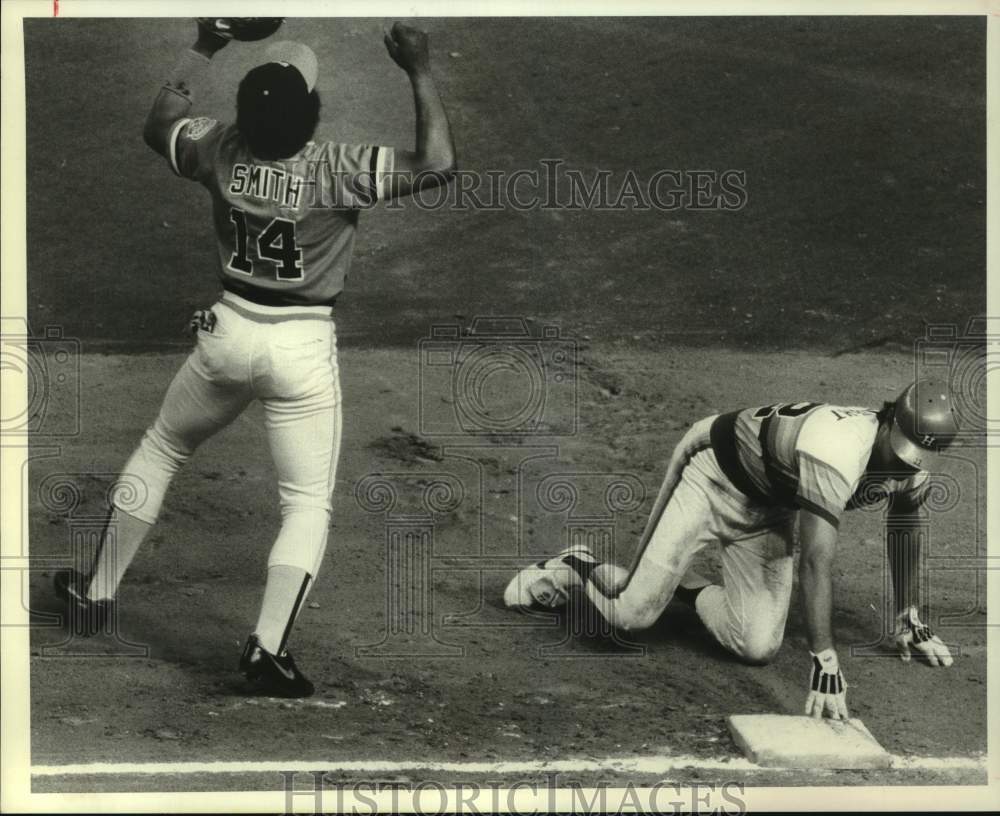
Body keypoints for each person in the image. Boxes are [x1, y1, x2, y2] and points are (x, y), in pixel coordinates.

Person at [54, 19, 456, 697]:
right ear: (315, 117)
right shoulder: (338, 169)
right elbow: (437, 162)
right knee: (305, 505)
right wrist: (417, 67)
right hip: (300, 350)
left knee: (161, 448)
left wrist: (204, 46)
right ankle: (266, 649)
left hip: (227, 333)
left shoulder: (219, 149)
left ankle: (95, 593)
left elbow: (160, 126)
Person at [504, 379, 958, 719]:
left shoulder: (910, 464)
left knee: (755, 643)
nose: (906, 464)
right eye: (903, 450)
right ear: (889, 423)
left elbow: (905, 524)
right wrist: (824, 658)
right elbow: (817, 561)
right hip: (712, 471)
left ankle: (680, 583)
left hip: (768, 509)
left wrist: (908, 616)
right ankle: (575, 564)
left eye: (918, 455)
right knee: (630, 615)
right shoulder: (838, 449)